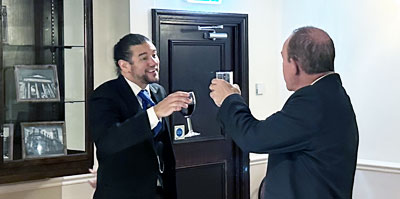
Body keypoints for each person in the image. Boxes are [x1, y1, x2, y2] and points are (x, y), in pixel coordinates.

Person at [209, 26, 359, 199]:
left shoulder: (313, 102)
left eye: (283, 60)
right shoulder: (332, 94)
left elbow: (254, 138)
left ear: (295, 65)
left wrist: (229, 99)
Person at [89, 33, 191, 199]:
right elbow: (108, 142)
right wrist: (154, 113)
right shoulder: (105, 95)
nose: (154, 62)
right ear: (124, 65)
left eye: (154, 55)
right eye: (144, 58)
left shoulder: (158, 91)